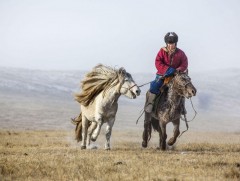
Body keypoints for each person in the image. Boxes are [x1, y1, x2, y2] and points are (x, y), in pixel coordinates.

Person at [144, 32, 188, 113]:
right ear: (167, 44)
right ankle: (150, 104)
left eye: (173, 44)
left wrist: (178, 70)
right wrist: (167, 70)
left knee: (183, 87)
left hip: (176, 76)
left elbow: (184, 63)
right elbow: (158, 62)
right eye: (169, 44)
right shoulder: (162, 51)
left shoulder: (181, 53)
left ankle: (182, 107)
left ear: (176, 43)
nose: (171, 45)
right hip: (163, 75)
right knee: (154, 85)